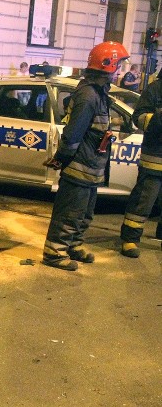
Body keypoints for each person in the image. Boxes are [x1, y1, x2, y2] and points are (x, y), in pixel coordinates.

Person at [42, 41, 130, 271]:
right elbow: (73, 135)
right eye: (118, 65)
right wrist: (63, 159)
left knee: (84, 213)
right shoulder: (88, 95)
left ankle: (73, 245)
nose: (120, 70)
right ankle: (54, 253)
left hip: (91, 165)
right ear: (107, 65)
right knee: (69, 212)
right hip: (79, 166)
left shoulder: (98, 92)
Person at [119, 68, 162, 257]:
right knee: (142, 202)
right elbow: (139, 118)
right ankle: (130, 239)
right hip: (154, 160)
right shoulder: (155, 89)